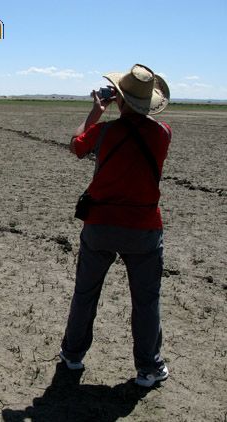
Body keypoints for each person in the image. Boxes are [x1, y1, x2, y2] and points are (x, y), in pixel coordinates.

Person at [59, 64, 172, 388]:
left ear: (118, 98)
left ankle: (73, 355)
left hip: (100, 225)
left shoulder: (105, 132)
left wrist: (96, 110)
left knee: (85, 294)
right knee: (146, 301)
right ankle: (148, 368)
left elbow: (75, 144)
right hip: (144, 228)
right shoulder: (162, 133)